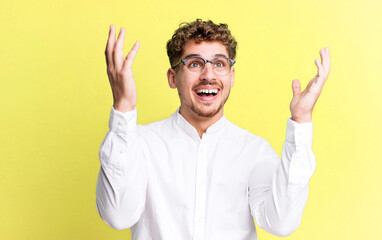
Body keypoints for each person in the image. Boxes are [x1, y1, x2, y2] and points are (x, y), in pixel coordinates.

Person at [96, 19, 331, 240]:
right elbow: (118, 215)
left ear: (231, 76)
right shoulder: (138, 143)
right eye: (195, 64)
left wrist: (301, 121)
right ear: (172, 78)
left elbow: (281, 223)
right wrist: (123, 108)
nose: (208, 75)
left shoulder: (254, 150)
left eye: (219, 64)